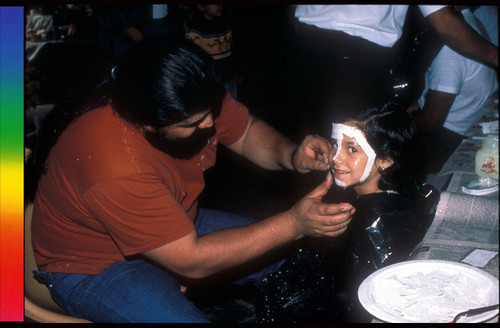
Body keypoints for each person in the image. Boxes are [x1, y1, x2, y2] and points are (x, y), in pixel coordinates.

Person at [28, 38, 355, 323]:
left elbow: (245, 133)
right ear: (148, 123)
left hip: (170, 220)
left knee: (291, 263)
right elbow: (193, 261)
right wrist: (294, 224)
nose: (211, 124)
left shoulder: (190, 96)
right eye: (194, 123)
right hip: (92, 264)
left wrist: (292, 154)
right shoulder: (114, 162)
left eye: (211, 111)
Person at [256, 101, 440, 323]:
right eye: (335, 145)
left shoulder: (371, 226)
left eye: (351, 149)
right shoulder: (387, 197)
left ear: (385, 160)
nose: (335, 158)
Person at [288, 5, 498, 136]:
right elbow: (443, 21)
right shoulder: (467, 31)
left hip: (309, 49)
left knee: (314, 143)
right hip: (353, 58)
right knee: (355, 150)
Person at [407, 6, 498, 173]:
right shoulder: (473, 24)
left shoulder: (451, 47)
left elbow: (430, 122)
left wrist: (398, 122)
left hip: (447, 139)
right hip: (469, 124)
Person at [183, 4, 240, 100]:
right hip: (210, 83)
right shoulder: (195, 32)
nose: (219, 5)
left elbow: (233, 52)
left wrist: (236, 72)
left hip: (228, 79)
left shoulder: (226, 26)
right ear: (201, 6)